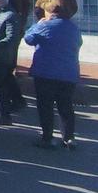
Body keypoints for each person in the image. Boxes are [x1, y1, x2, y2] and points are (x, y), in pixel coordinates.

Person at [23, 9, 82, 149]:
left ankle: (47, 137)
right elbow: (79, 43)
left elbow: (28, 39)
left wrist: (37, 24)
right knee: (66, 106)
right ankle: (69, 137)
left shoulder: (45, 26)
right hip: (68, 72)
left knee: (45, 106)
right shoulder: (73, 27)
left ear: (50, 13)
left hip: (46, 72)